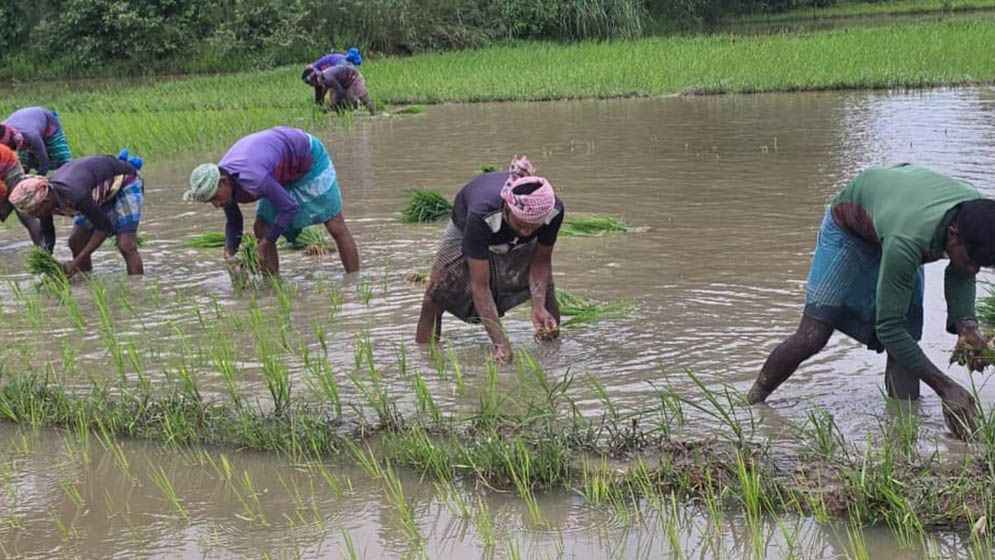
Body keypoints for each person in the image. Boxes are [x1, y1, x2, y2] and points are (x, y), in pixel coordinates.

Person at [747, 164, 995, 439]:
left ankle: (903, 437)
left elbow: (961, 273)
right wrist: (946, 388)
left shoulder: (978, 217)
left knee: (909, 337)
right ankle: (751, 403)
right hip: (851, 230)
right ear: (953, 233)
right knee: (813, 334)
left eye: (981, 265)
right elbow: (889, 329)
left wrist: (967, 327)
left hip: (898, 219)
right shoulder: (909, 239)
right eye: (972, 261)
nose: (974, 270)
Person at [415, 156, 564, 363]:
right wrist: (500, 343)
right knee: (436, 294)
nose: (526, 231)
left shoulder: (553, 211)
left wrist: (537, 305)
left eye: (533, 226)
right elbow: (480, 286)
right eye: (521, 224)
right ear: (507, 208)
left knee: (545, 288)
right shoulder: (481, 215)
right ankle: (425, 359)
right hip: (464, 226)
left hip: (507, 225)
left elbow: (541, 262)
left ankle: (552, 355)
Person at [184, 126, 360, 277]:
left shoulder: (254, 178)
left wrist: (267, 242)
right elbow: (234, 220)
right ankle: (273, 288)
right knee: (261, 228)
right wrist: (230, 252)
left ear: (223, 182)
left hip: (307, 159)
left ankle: (354, 282)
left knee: (335, 224)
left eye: (215, 198)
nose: (216, 205)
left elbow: (289, 208)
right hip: (277, 167)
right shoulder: (224, 181)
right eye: (210, 202)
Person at [9, 150, 145, 276]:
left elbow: (104, 228)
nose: (35, 216)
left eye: (35, 211)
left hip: (124, 182)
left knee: (126, 244)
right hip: (96, 193)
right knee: (76, 242)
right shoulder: (47, 201)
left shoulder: (75, 195)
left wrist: (75, 263)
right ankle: (87, 281)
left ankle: (137, 289)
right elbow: (48, 231)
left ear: (45, 200)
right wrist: (47, 260)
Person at [0, 144, 51, 250]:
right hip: (4, 167)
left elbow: (2, 190)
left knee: (24, 212)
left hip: (11, 169)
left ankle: (43, 250)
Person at [0, 107, 73, 175]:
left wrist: (38, 178)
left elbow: (44, 162)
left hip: (48, 122)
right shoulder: (2, 129)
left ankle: (70, 173)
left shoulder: (31, 135)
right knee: (24, 161)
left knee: (60, 155)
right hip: (25, 122)